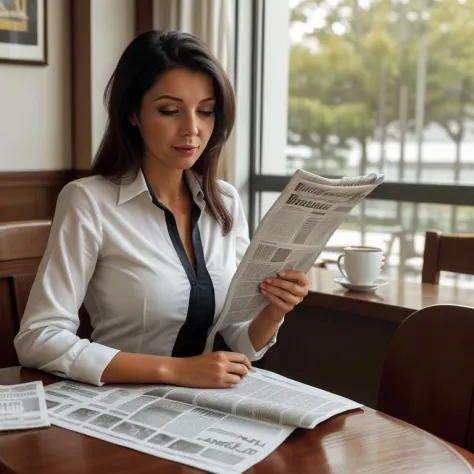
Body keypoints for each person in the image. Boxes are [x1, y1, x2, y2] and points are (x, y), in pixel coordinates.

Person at [14, 30, 309, 388]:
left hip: (204, 404)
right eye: (169, 110)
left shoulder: (225, 202)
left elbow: (243, 341)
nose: (192, 129)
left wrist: (275, 310)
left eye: (206, 111)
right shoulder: (88, 201)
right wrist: (176, 371)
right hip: (118, 403)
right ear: (132, 114)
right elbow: (39, 338)